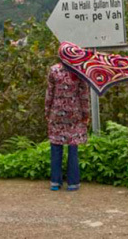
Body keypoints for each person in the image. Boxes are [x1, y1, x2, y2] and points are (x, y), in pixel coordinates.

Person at [45, 62, 90, 191]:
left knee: (55, 146)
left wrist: (47, 111)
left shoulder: (54, 70)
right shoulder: (79, 70)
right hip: (74, 114)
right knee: (73, 147)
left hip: (57, 112)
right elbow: (84, 96)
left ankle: (55, 182)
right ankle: (73, 183)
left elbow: (49, 93)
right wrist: (86, 114)